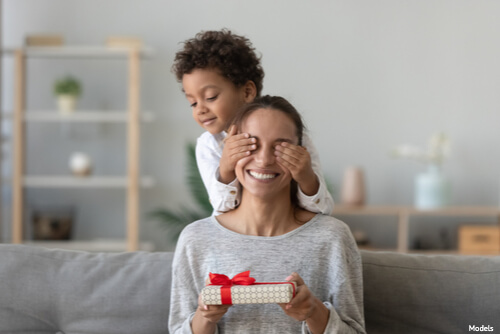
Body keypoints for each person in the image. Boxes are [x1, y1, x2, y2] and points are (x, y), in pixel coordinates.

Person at [169, 96, 365, 334]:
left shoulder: (332, 238)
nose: (263, 160)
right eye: (250, 144)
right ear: (229, 150)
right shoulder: (196, 239)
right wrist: (205, 318)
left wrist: (314, 311)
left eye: (281, 147)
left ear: (302, 156)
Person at [172, 29, 334, 216]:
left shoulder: (293, 137)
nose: (200, 109)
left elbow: (323, 209)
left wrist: (306, 178)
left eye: (211, 97)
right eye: (192, 102)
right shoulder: (209, 146)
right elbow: (221, 209)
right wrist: (225, 169)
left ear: (247, 92)